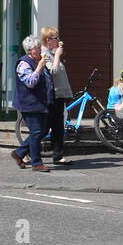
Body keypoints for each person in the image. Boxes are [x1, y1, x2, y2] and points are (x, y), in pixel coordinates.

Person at [10, 35, 53, 172]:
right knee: (36, 131)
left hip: (41, 102)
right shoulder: (24, 63)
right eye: (37, 48)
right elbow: (30, 82)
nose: (40, 50)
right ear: (29, 50)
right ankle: (36, 163)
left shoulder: (39, 60)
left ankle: (19, 153)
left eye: (40, 47)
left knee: (43, 130)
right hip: (29, 104)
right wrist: (39, 68)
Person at [39, 26, 73, 164]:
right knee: (45, 127)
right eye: (55, 38)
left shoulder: (51, 54)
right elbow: (54, 72)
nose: (58, 40)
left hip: (59, 95)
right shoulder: (44, 55)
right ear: (48, 40)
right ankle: (23, 151)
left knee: (58, 127)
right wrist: (58, 55)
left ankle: (58, 155)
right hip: (51, 95)